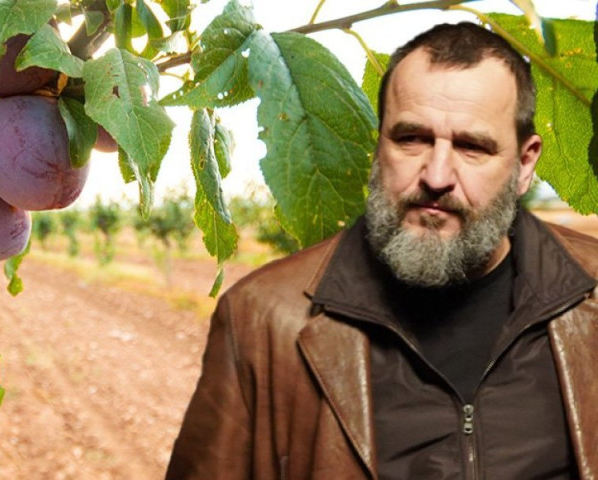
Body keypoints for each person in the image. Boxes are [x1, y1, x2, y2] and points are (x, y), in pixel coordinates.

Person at [166, 22, 598, 479]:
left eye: (472, 147)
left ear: (525, 163)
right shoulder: (261, 319)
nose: (436, 175)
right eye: (411, 138)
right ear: (378, 145)